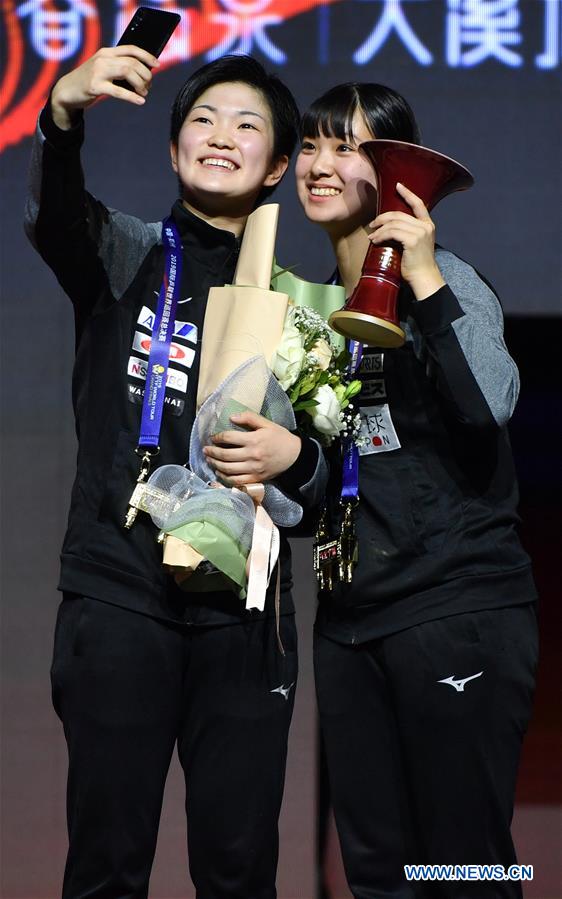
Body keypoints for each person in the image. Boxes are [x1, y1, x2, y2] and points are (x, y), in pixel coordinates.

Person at [25, 49, 327, 899]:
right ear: (173, 150)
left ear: (276, 167)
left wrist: (294, 458)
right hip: (119, 595)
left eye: (247, 125)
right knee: (107, 864)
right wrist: (61, 112)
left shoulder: (302, 305)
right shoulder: (125, 252)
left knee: (238, 870)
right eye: (202, 119)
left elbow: (323, 474)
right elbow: (53, 220)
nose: (221, 137)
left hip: (245, 615)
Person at [295, 83, 538, 897]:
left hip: (454, 611)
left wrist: (426, 277)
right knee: (378, 873)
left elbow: (489, 407)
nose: (319, 163)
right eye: (309, 145)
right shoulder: (307, 310)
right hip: (350, 626)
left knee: (461, 867)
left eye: (345, 147)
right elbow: (313, 490)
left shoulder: (450, 280)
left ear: (395, 172)